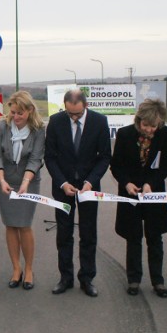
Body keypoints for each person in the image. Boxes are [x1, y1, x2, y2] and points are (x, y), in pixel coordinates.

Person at [44, 89, 111, 297]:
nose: (74, 117)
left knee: (88, 233)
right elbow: (50, 157)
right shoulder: (55, 122)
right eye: (70, 113)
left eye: (78, 114)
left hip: (88, 189)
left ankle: (87, 278)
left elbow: (105, 157)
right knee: (64, 234)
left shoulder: (99, 122)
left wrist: (91, 181)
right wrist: (62, 182)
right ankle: (65, 277)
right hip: (63, 188)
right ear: (64, 107)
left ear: (86, 106)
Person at [110, 99, 167, 298]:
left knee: (155, 237)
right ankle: (134, 279)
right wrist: (127, 183)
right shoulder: (125, 134)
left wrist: (150, 184)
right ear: (138, 121)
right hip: (131, 193)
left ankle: (158, 281)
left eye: (153, 126)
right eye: (145, 125)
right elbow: (116, 165)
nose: (149, 130)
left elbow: (166, 165)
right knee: (133, 237)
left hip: (153, 192)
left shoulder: (164, 134)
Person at [0, 90, 45, 290]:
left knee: (24, 225)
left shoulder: (39, 130)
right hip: (5, 181)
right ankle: (16, 268)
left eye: (20, 113)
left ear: (30, 111)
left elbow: (36, 158)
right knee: (11, 225)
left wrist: (25, 181)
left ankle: (29, 269)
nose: (15, 117)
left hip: (28, 182)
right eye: (13, 112)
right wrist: (2, 179)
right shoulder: (1, 126)